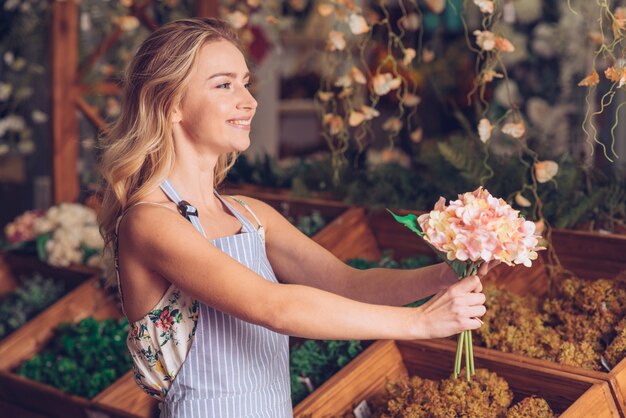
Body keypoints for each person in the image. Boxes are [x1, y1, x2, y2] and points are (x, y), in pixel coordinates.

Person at [98, 18, 491, 418]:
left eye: (246, 83)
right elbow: (273, 307)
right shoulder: (149, 221)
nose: (249, 101)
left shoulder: (252, 215)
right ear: (171, 104)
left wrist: (440, 278)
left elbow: (346, 283)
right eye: (224, 84)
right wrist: (421, 323)